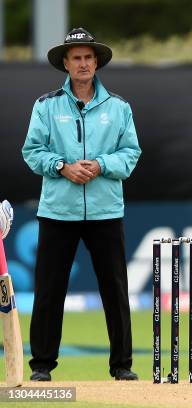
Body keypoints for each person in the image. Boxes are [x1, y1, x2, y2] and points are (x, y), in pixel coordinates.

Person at [22, 28, 141, 381]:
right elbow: (32, 151)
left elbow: (131, 153)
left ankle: (121, 366)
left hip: (105, 211)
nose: (84, 63)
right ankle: (42, 365)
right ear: (66, 63)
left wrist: (102, 164)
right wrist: (62, 167)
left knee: (115, 288)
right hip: (58, 211)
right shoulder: (45, 105)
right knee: (49, 290)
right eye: (76, 57)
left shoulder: (119, 107)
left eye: (89, 57)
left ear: (97, 62)